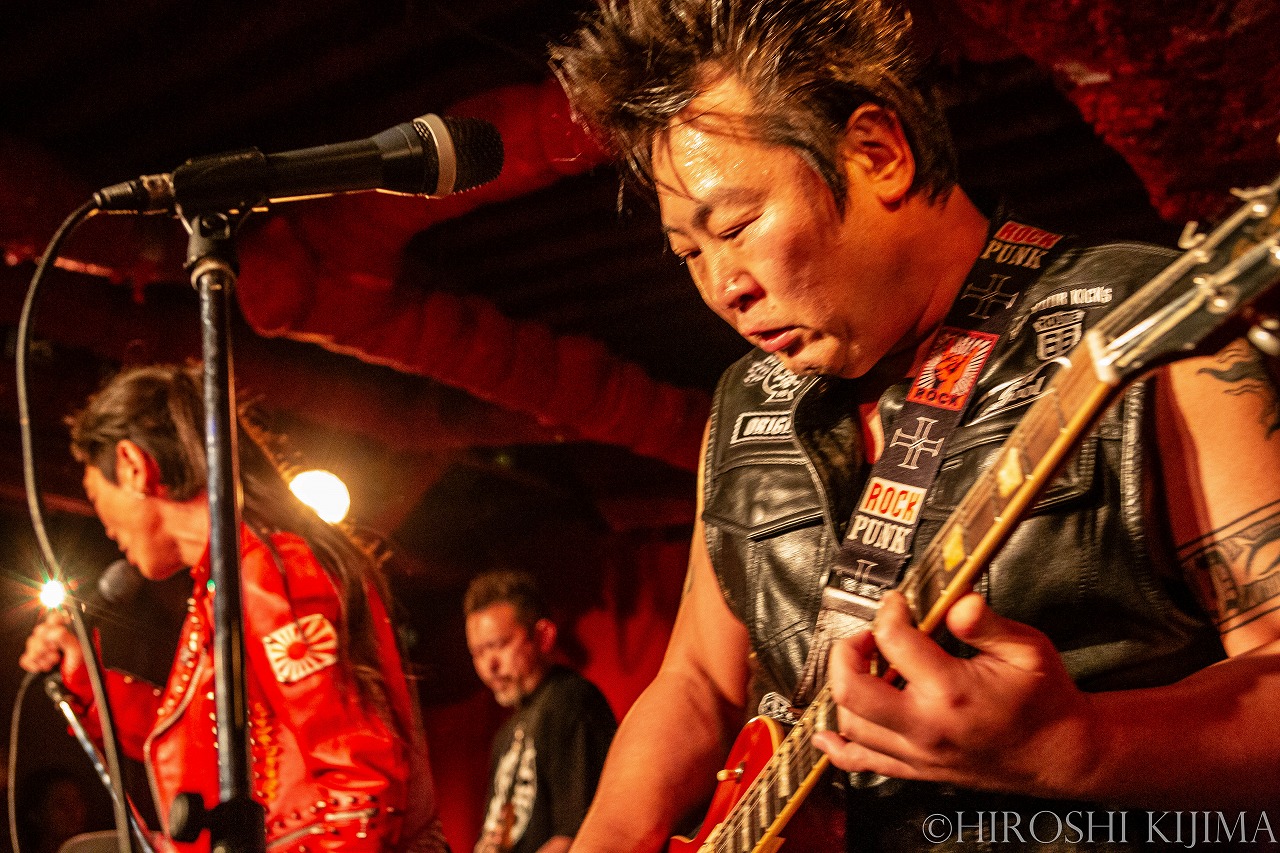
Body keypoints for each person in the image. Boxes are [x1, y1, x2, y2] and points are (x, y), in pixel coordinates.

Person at [550, 0, 1280, 850]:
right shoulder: (747, 400)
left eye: (737, 226)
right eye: (690, 252)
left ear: (877, 154)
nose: (722, 286)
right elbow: (696, 684)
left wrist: (1080, 745)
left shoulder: (1136, 323)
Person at [19, 363, 448, 853]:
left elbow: (362, 781)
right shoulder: (227, 582)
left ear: (134, 465)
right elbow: (209, 743)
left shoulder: (267, 571)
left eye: (97, 499)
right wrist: (89, 687)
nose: (108, 529)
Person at [464, 571, 616, 853]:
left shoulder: (570, 700)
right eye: (478, 653)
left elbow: (580, 834)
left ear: (543, 636)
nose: (489, 665)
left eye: (499, 645)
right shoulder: (505, 736)